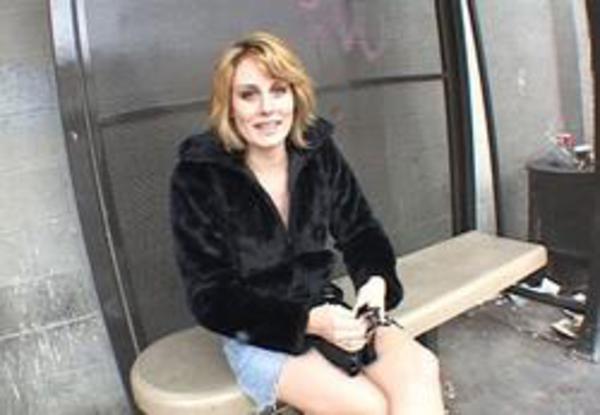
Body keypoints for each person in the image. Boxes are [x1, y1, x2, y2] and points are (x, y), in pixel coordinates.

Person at [170, 31, 444, 415]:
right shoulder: (199, 175)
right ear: (229, 106)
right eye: (249, 95)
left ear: (295, 95)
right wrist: (309, 323)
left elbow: (360, 230)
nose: (267, 108)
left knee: (420, 369)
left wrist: (374, 283)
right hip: (259, 334)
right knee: (369, 407)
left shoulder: (317, 151)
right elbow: (210, 297)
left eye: (278, 90)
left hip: (329, 309)